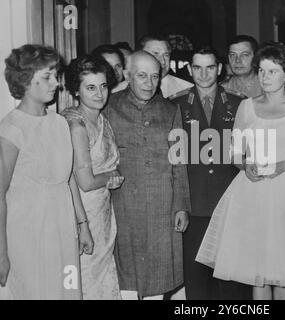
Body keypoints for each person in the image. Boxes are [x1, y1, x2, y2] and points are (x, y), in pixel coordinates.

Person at [195, 42, 285, 300]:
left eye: (273, 72)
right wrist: (246, 165)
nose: (265, 78)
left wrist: (283, 166)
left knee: (284, 271)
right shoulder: (247, 107)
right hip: (254, 193)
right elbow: (234, 152)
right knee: (258, 269)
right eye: (262, 71)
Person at [0, 44, 93, 299]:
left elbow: (68, 178)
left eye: (55, 75)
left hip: (62, 229)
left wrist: (82, 224)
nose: (56, 83)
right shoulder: (11, 130)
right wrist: (1, 253)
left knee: (68, 289)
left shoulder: (60, 122)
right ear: (26, 81)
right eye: (47, 77)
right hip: (27, 233)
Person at [104, 51, 190, 300]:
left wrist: (181, 207)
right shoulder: (109, 107)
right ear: (127, 75)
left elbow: (179, 162)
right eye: (141, 76)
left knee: (159, 277)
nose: (149, 83)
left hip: (162, 207)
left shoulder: (170, 110)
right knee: (126, 278)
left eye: (154, 77)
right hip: (122, 207)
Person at [170, 46, 250, 300]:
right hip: (194, 204)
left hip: (231, 203)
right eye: (197, 67)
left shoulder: (240, 104)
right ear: (190, 70)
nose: (203, 74)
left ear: (219, 69)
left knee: (232, 282)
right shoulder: (176, 105)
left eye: (209, 67)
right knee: (197, 281)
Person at [63, 55, 124, 299]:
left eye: (103, 86)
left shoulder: (100, 118)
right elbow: (85, 182)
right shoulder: (76, 126)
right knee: (88, 280)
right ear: (76, 91)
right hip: (84, 212)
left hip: (103, 212)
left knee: (102, 279)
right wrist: (111, 175)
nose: (99, 94)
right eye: (90, 88)